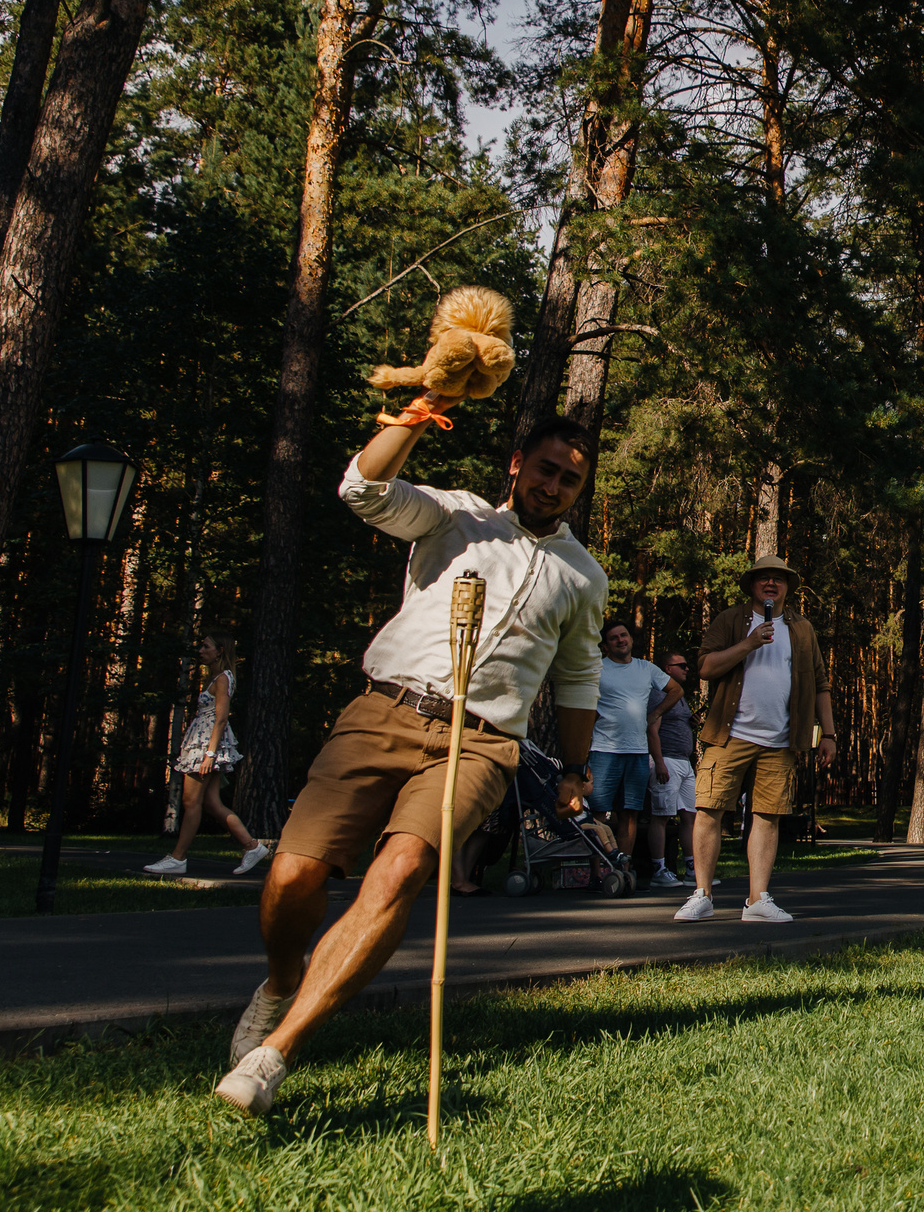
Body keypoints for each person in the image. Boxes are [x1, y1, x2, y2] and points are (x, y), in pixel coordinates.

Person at [213, 411, 607, 1118]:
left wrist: (575, 770)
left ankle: (275, 1053)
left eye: (571, 479)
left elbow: (578, 677)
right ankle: (278, 982)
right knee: (293, 872)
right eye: (547, 468)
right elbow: (364, 489)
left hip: (482, 740)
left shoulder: (582, 574)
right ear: (518, 462)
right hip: (386, 709)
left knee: (398, 871)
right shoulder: (455, 515)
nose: (555, 486)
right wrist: (416, 415)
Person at [678, 553, 839, 924]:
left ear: (787, 587)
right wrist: (748, 644)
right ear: (752, 585)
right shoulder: (731, 620)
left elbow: (820, 684)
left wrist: (827, 734)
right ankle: (701, 894)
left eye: (778, 578)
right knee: (709, 810)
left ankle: (758, 900)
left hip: (781, 740)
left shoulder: (802, 629)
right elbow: (705, 668)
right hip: (729, 734)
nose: (771, 583)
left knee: (768, 816)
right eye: (763, 578)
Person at [145, 633, 272, 878]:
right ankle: (252, 846)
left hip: (205, 746)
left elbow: (221, 717)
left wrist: (210, 754)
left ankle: (178, 858)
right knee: (212, 804)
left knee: (191, 802)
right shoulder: (217, 678)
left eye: (206, 646)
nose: (200, 650)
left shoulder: (223, 679)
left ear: (220, 651)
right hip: (203, 743)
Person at [587, 621, 674, 879]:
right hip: (603, 751)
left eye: (623, 635)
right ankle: (596, 873)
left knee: (630, 814)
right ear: (605, 645)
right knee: (598, 814)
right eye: (613, 638)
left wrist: (656, 712)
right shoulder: (598, 669)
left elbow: (676, 689)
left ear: (630, 639)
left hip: (637, 751)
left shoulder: (646, 668)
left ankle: (623, 870)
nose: (620, 640)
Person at [643, 649, 696, 887]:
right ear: (667, 669)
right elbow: (652, 728)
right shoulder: (659, 694)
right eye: (681, 665)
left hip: (684, 761)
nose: (687, 668)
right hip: (667, 760)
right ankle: (659, 869)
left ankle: (692, 867)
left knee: (690, 816)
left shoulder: (680, 696)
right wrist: (659, 761)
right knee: (662, 815)